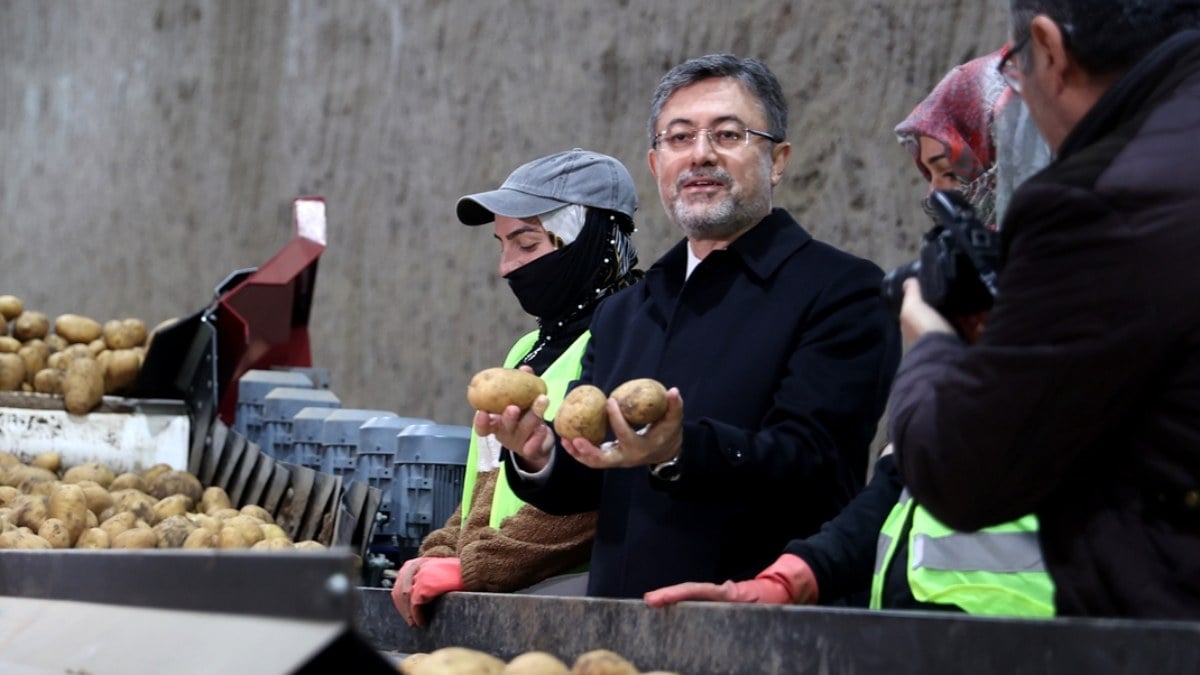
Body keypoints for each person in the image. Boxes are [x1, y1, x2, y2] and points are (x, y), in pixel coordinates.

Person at [646, 49, 1057, 617]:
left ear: (1025, 167)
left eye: (959, 172)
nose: (941, 201)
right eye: (930, 174)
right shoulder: (983, 318)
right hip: (920, 634)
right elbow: (899, 482)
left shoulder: (1091, 309)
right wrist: (790, 581)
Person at [478, 54, 900, 599]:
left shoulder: (844, 289)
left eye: (728, 134)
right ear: (656, 166)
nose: (701, 153)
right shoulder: (626, 312)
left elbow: (817, 465)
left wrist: (680, 449)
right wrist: (538, 453)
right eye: (679, 138)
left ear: (777, 160)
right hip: (618, 633)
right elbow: (588, 482)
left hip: (761, 628)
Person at [891, 0, 1200, 619]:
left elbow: (965, 468)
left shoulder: (1100, 204)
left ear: (1050, 49)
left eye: (951, 169)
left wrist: (931, 343)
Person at [391, 149, 644, 626]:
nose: (507, 267)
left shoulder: (631, 337)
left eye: (526, 245)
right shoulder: (527, 349)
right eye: (501, 245)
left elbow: (598, 499)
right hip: (510, 599)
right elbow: (488, 486)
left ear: (589, 241)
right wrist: (440, 552)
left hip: (576, 609)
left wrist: (473, 568)